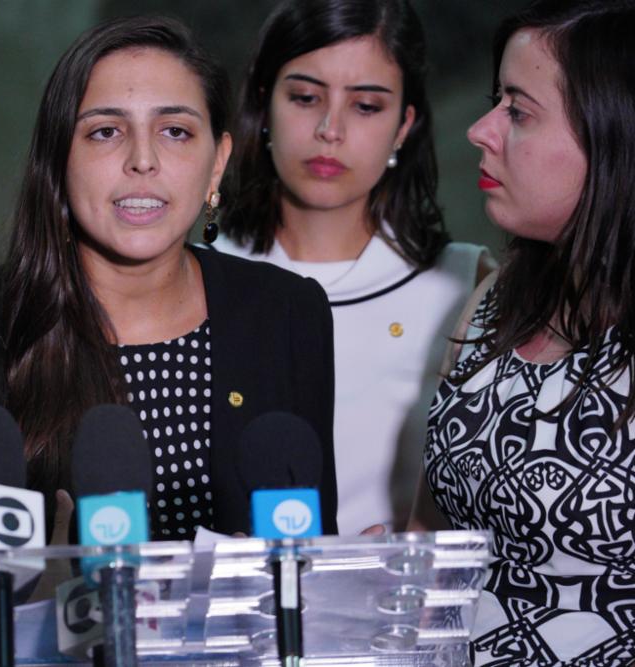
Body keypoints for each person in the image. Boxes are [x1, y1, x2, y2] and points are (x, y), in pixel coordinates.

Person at [0, 15, 338, 622]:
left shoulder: (289, 314)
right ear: (57, 158)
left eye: (176, 131)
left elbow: (310, 554)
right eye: (104, 133)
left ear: (217, 162)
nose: (143, 160)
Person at [211, 0, 493, 534]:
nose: (330, 130)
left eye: (366, 106)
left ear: (404, 124)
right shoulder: (198, 273)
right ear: (264, 102)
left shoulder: (465, 286)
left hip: (403, 608)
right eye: (304, 97)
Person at [410, 0, 635, 663]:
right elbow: (436, 524)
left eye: (519, 110)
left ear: (614, 140)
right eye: (493, 101)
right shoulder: (493, 298)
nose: (481, 130)